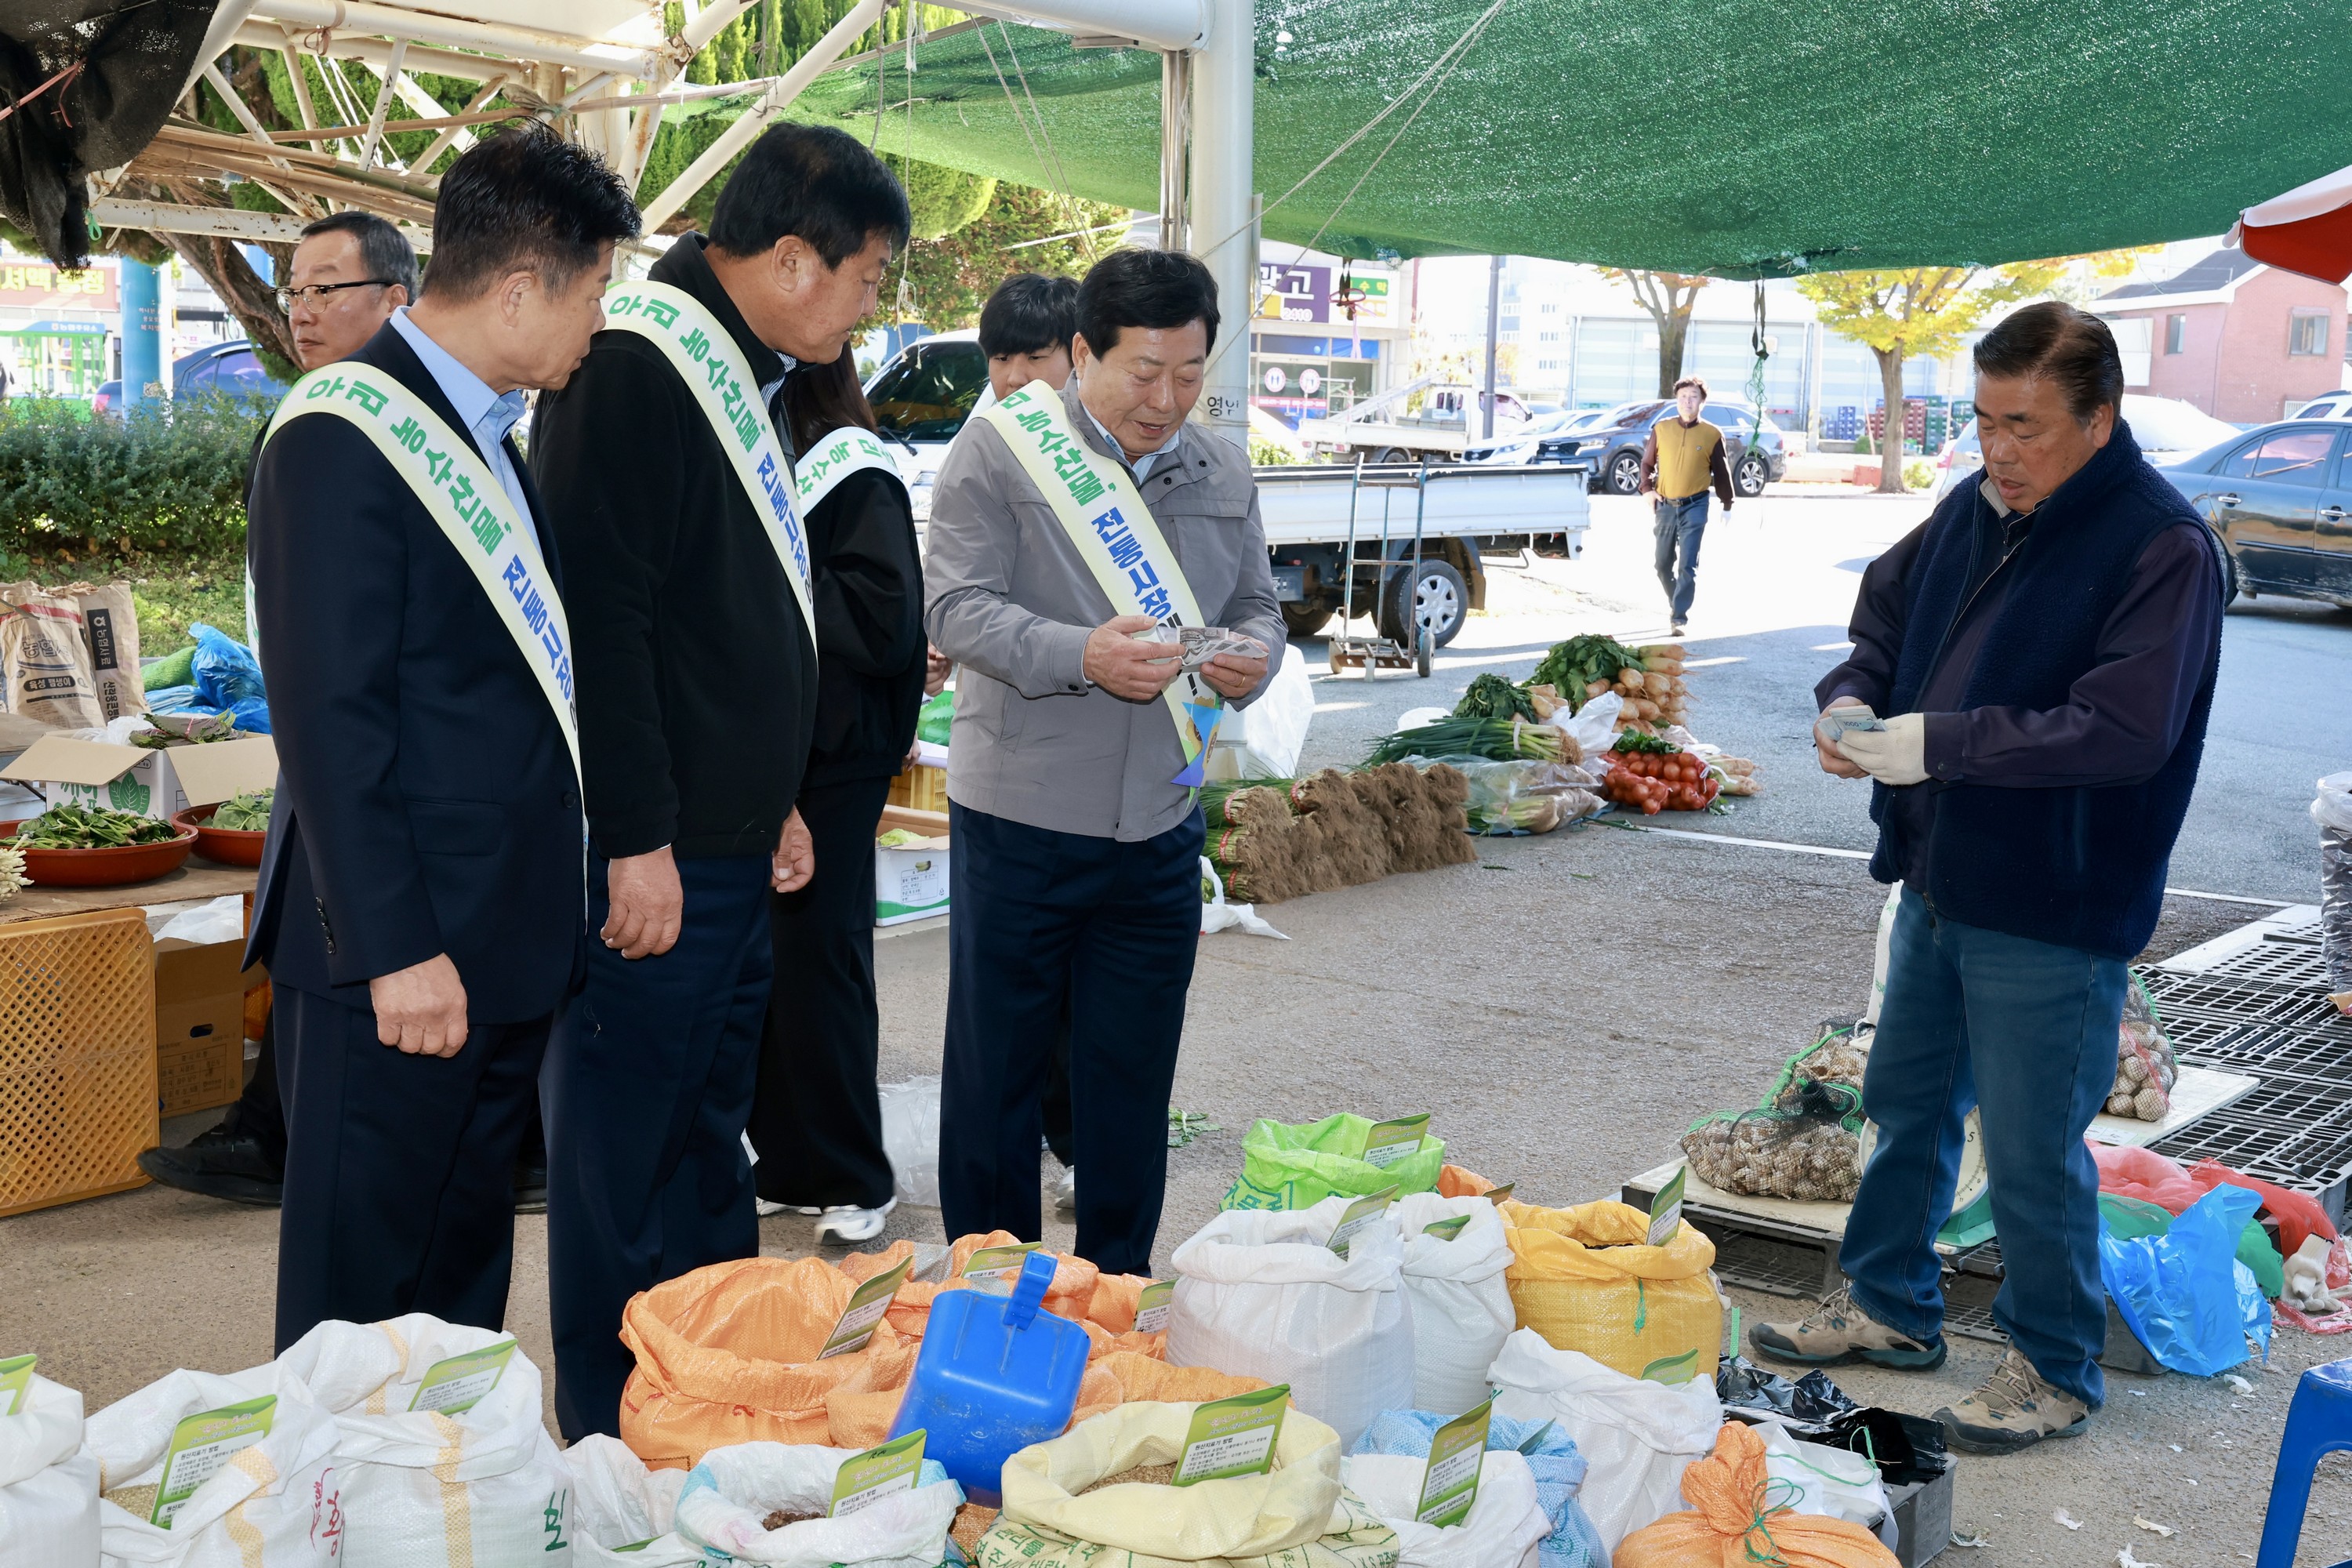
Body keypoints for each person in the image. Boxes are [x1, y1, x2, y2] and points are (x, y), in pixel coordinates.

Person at [1752, 302, 2224, 1454]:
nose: (1997, 451)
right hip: (1939, 873)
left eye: (2025, 426)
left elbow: (2122, 730)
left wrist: (1940, 744)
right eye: (1982, 420)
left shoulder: (2161, 547)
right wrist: (1855, 696)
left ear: (2100, 421)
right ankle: (1890, 1306)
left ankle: (2055, 1366)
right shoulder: (1976, 507)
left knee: (2027, 1147)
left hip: (2056, 903)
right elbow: (1889, 612)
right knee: (1907, 1106)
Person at [529, 122, 909, 1440]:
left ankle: (701, 1411)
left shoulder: (734, 367)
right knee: (627, 1161)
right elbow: (605, 623)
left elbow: (726, 622)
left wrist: (775, 795)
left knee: (704, 1154)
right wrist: (636, 836)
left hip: (733, 842)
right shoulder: (637, 365)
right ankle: (613, 1425)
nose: (869, 305)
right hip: (658, 856)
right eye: (868, 276)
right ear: (795, 259)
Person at [245, 126, 640, 1351]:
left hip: (503, 950)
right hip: (402, 965)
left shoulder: (487, 438)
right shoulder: (342, 434)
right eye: (592, 296)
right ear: (522, 288)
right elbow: (329, 718)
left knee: (458, 1297)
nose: (596, 327)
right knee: (357, 1299)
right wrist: (396, 949)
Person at [925, 248, 1284, 1274]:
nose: (1166, 400)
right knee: (996, 1083)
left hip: (1160, 829)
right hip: (1022, 824)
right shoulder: (999, 453)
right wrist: (1078, 655)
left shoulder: (1223, 468)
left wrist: (1259, 657)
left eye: (1189, 375)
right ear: (1081, 354)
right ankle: (994, 1301)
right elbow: (955, 607)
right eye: (1142, 372)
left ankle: (1116, 1294)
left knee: (1130, 1083)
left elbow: (1257, 603)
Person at [143, 209, 419, 1209]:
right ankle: (269, 1123)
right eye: (294, 289)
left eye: (326, 288)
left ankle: (274, 1129)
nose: (301, 310)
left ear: (396, 299)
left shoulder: (401, 431)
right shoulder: (313, 412)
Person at [744, 345, 927, 1244]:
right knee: (772, 966)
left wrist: (764, 570)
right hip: (773, 745)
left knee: (822, 961)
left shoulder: (853, 467)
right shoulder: (764, 459)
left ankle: (856, 1169)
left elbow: (886, 621)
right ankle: (787, 1160)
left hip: (836, 757)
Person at [975, 269, 1087, 1215]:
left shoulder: (1113, 454)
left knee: (1083, 1004)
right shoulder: (986, 453)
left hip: (1111, 778)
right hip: (1011, 772)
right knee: (1012, 1005)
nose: (1014, 378)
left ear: (1077, 356)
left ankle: (1077, 1137)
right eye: (999, 360)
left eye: (1033, 358)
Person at [1637, 374, 1733, 637]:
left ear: (1702, 402)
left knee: (1687, 565)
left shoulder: (1712, 434)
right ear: (1676, 400)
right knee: (1662, 563)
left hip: (1696, 505)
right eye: (1683, 397)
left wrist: (1727, 504)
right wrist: (1647, 490)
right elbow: (1646, 464)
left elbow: (1722, 473)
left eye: (1693, 397)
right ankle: (1675, 602)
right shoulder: (1662, 429)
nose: (1687, 402)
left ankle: (1679, 617)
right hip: (1665, 505)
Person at [981, 271, 1079, 401]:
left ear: (1081, 356)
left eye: (1035, 357)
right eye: (1002, 359)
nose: (1015, 379)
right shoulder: (984, 422)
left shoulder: (1107, 421)